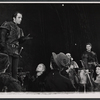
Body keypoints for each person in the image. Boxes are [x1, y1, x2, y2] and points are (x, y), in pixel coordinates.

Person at [0, 11, 32, 79]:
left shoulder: (20, 30)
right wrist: (3, 46)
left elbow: (18, 41)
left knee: (15, 72)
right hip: (8, 51)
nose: (20, 19)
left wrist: (23, 39)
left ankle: (14, 87)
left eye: (21, 18)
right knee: (8, 71)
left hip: (16, 52)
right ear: (14, 18)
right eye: (19, 17)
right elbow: (2, 34)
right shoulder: (8, 24)